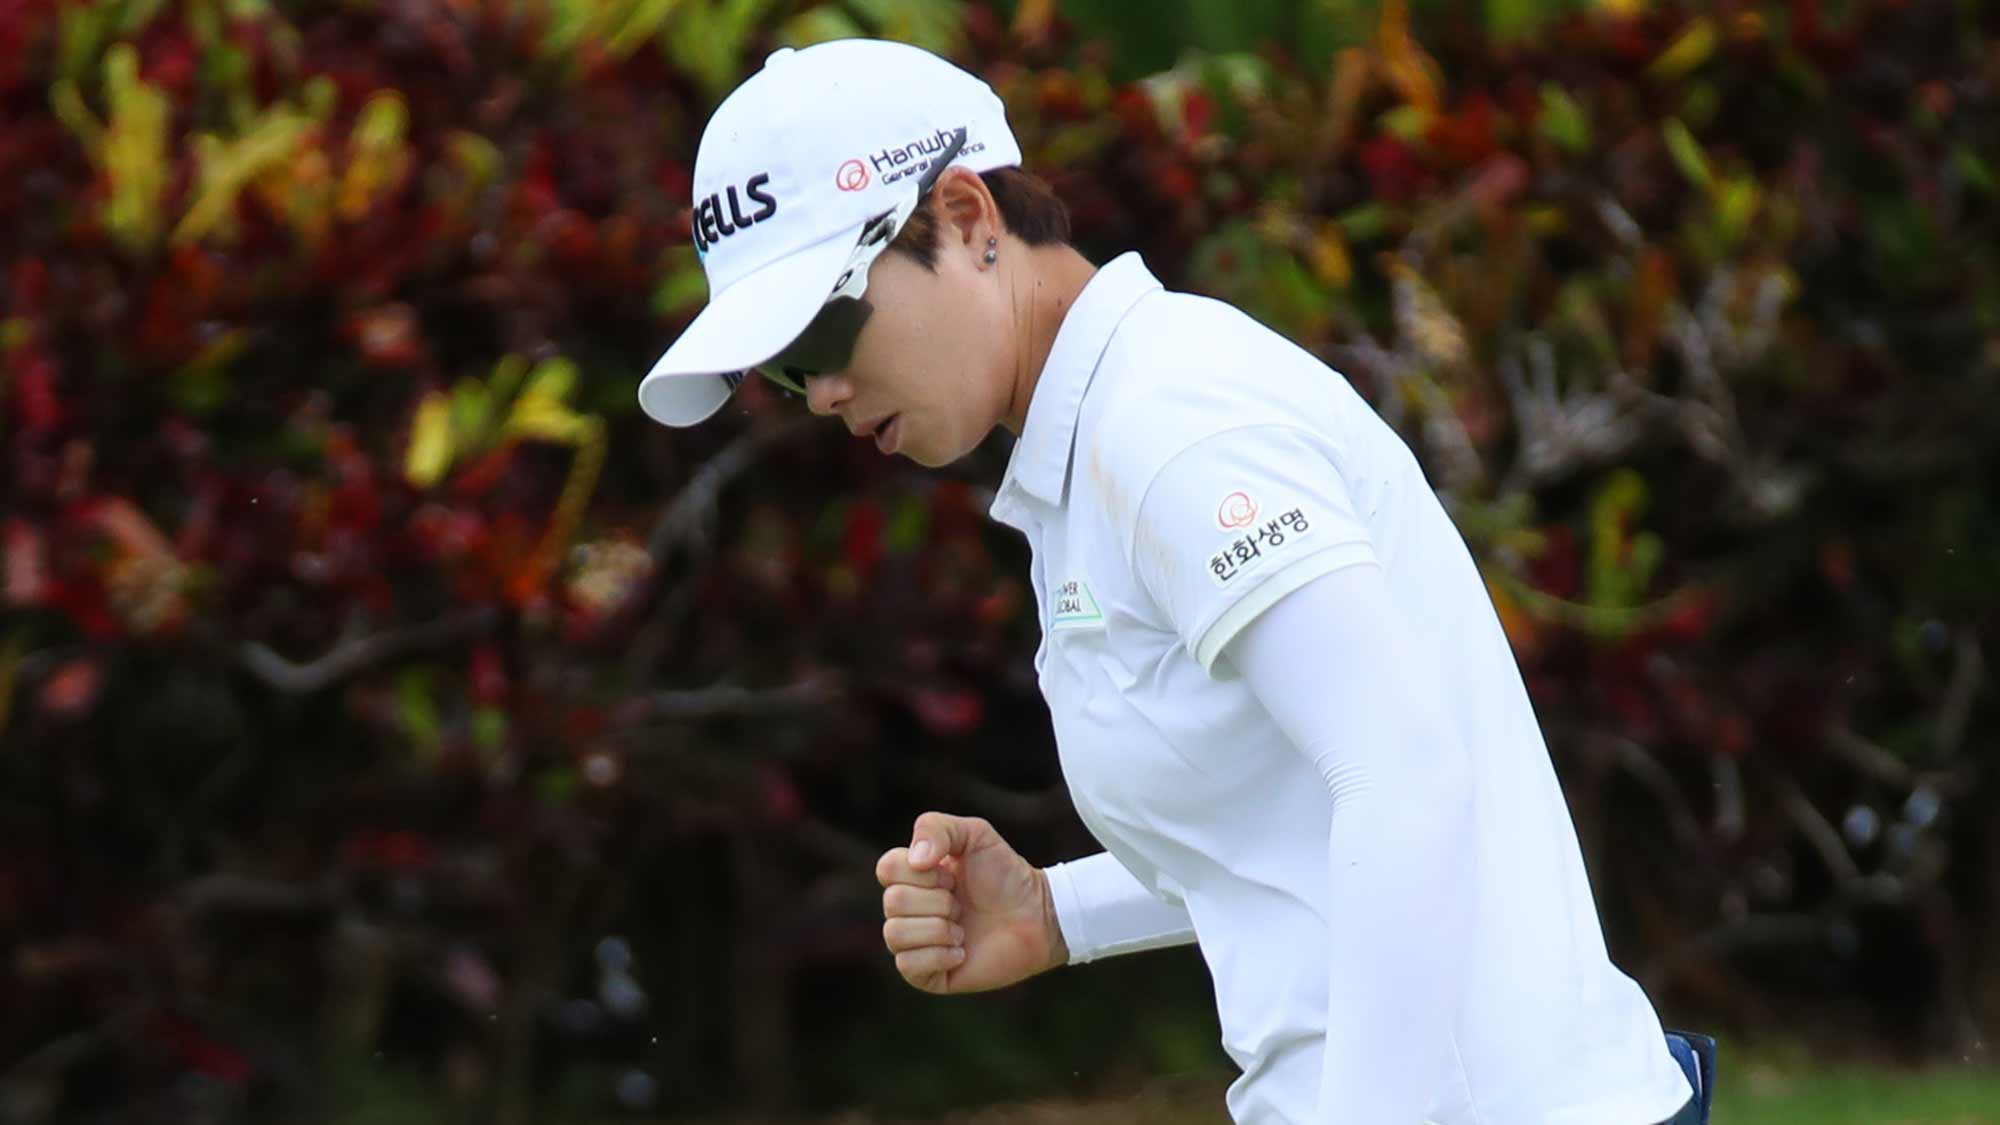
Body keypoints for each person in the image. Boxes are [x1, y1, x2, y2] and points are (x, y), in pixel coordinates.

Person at [638, 37, 1707, 1125]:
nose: (815, 390)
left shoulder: (1170, 424)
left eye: (825, 325)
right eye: (779, 366)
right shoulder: (1099, 438)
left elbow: (1407, 778)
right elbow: (1289, 819)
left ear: (966, 219)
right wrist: (1056, 912)